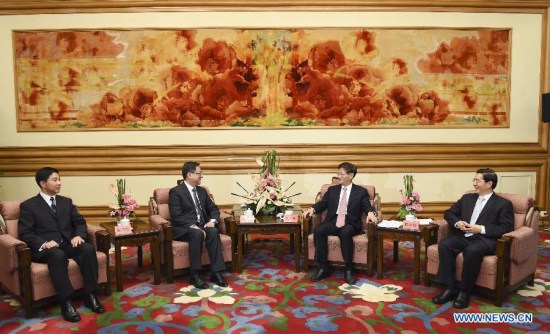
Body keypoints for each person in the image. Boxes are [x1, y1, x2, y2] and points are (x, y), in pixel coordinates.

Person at [18, 167, 105, 322]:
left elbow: (79, 222)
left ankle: (90, 295)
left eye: (59, 179)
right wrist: (43, 243)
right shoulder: (28, 206)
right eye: (55, 180)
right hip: (47, 249)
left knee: (87, 249)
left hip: (66, 243)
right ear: (43, 183)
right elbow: (26, 233)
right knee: (58, 255)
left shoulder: (66, 202)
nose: (59, 183)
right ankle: (66, 302)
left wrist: (78, 235)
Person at [432, 168, 514, 309]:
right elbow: (449, 213)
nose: (474, 183)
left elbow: (506, 228)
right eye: (474, 180)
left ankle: (464, 291)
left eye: (477, 180)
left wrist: (481, 229)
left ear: (489, 183)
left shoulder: (503, 204)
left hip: (486, 240)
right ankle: (450, 287)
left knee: (472, 251)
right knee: (445, 245)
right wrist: (458, 223)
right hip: (465, 235)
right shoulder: (467, 198)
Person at [303, 162, 379, 284]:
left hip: (350, 223)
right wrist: (312, 208)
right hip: (333, 221)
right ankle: (323, 267)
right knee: (319, 230)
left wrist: (371, 213)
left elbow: (367, 207)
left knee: (345, 232)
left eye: (341, 174)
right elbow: (322, 204)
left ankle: (348, 268)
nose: (338, 176)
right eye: (338, 173)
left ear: (351, 175)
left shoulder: (360, 192)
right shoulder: (332, 190)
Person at [169, 161, 228, 289]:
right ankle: (194, 275)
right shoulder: (176, 192)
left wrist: (212, 221)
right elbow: (176, 215)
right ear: (190, 174)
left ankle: (216, 272)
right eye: (199, 173)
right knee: (197, 234)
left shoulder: (202, 191)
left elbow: (214, 209)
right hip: (184, 228)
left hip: (202, 225)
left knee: (213, 231)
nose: (202, 175)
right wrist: (191, 225)